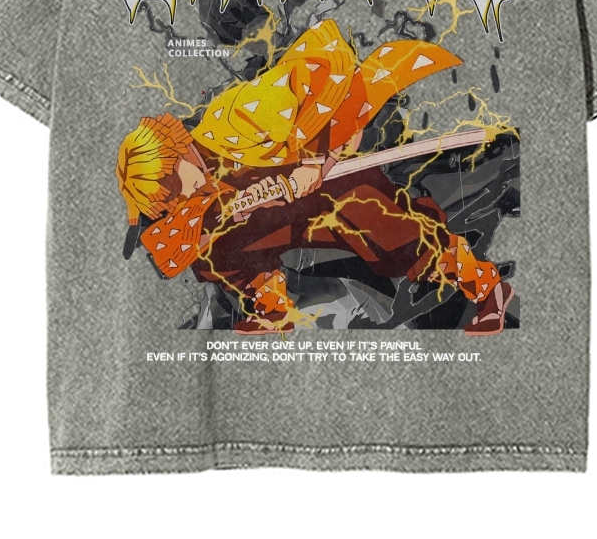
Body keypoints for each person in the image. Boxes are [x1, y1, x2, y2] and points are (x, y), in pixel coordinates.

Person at [117, 20, 514, 335]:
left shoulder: (238, 117)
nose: (177, 201)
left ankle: (487, 288)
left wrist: (315, 160)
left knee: (400, 241)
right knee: (218, 245)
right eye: (166, 202)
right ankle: (271, 309)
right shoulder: (205, 174)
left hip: (332, 176)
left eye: (171, 190)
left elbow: (316, 78)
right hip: (287, 208)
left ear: (178, 154)